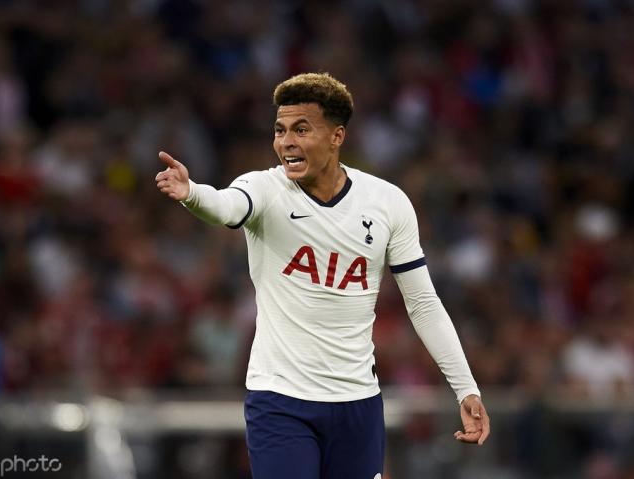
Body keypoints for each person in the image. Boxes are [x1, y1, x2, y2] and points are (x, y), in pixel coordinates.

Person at [155, 72, 489, 479]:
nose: (286, 142)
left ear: (336, 136)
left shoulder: (387, 203)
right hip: (281, 400)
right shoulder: (264, 190)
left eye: (301, 129)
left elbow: (423, 304)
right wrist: (192, 194)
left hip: (358, 404)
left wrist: (465, 387)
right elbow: (225, 205)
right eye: (279, 130)